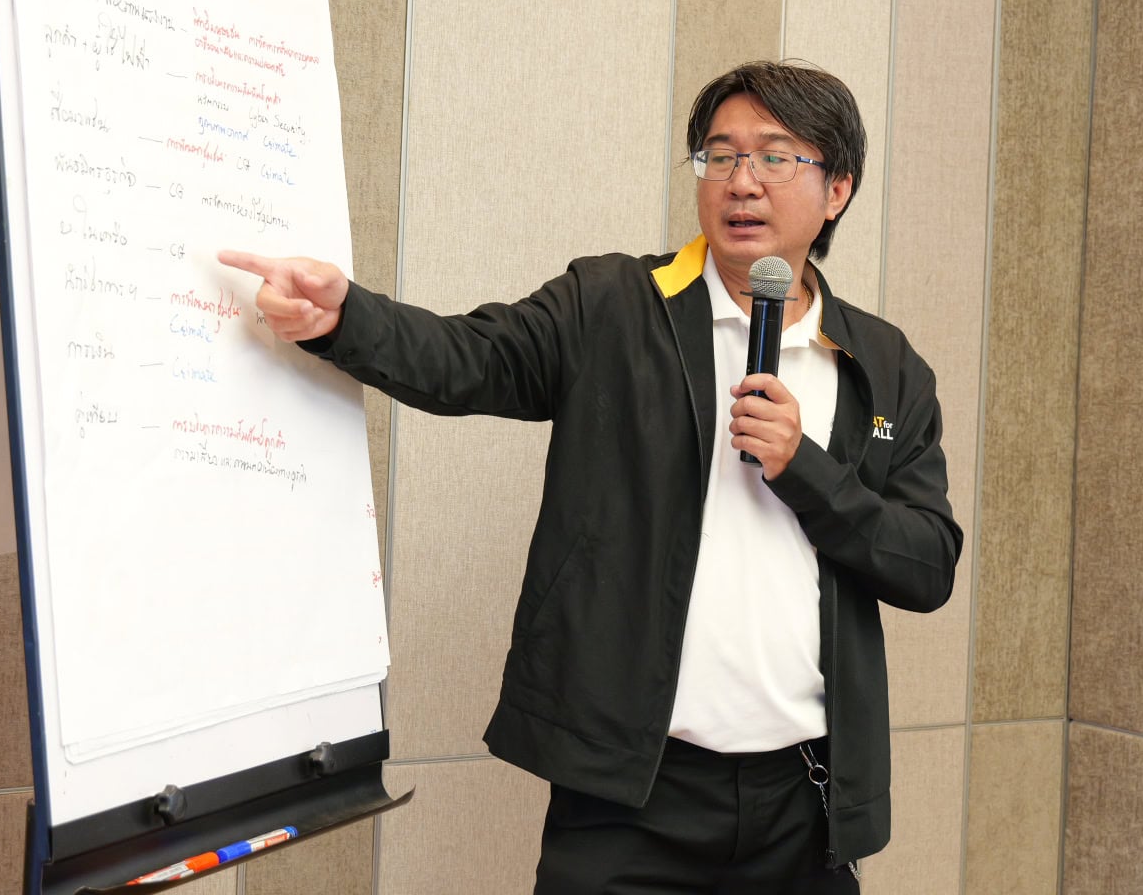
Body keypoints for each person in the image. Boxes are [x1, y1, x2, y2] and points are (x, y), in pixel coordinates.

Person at [219, 60, 961, 893]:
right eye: (720, 155)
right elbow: (471, 359)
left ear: (837, 190)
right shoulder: (612, 304)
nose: (741, 181)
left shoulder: (884, 364)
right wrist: (345, 317)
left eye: (775, 156)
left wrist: (807, 470)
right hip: (630, 798)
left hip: (804, 800)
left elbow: (926, 563)